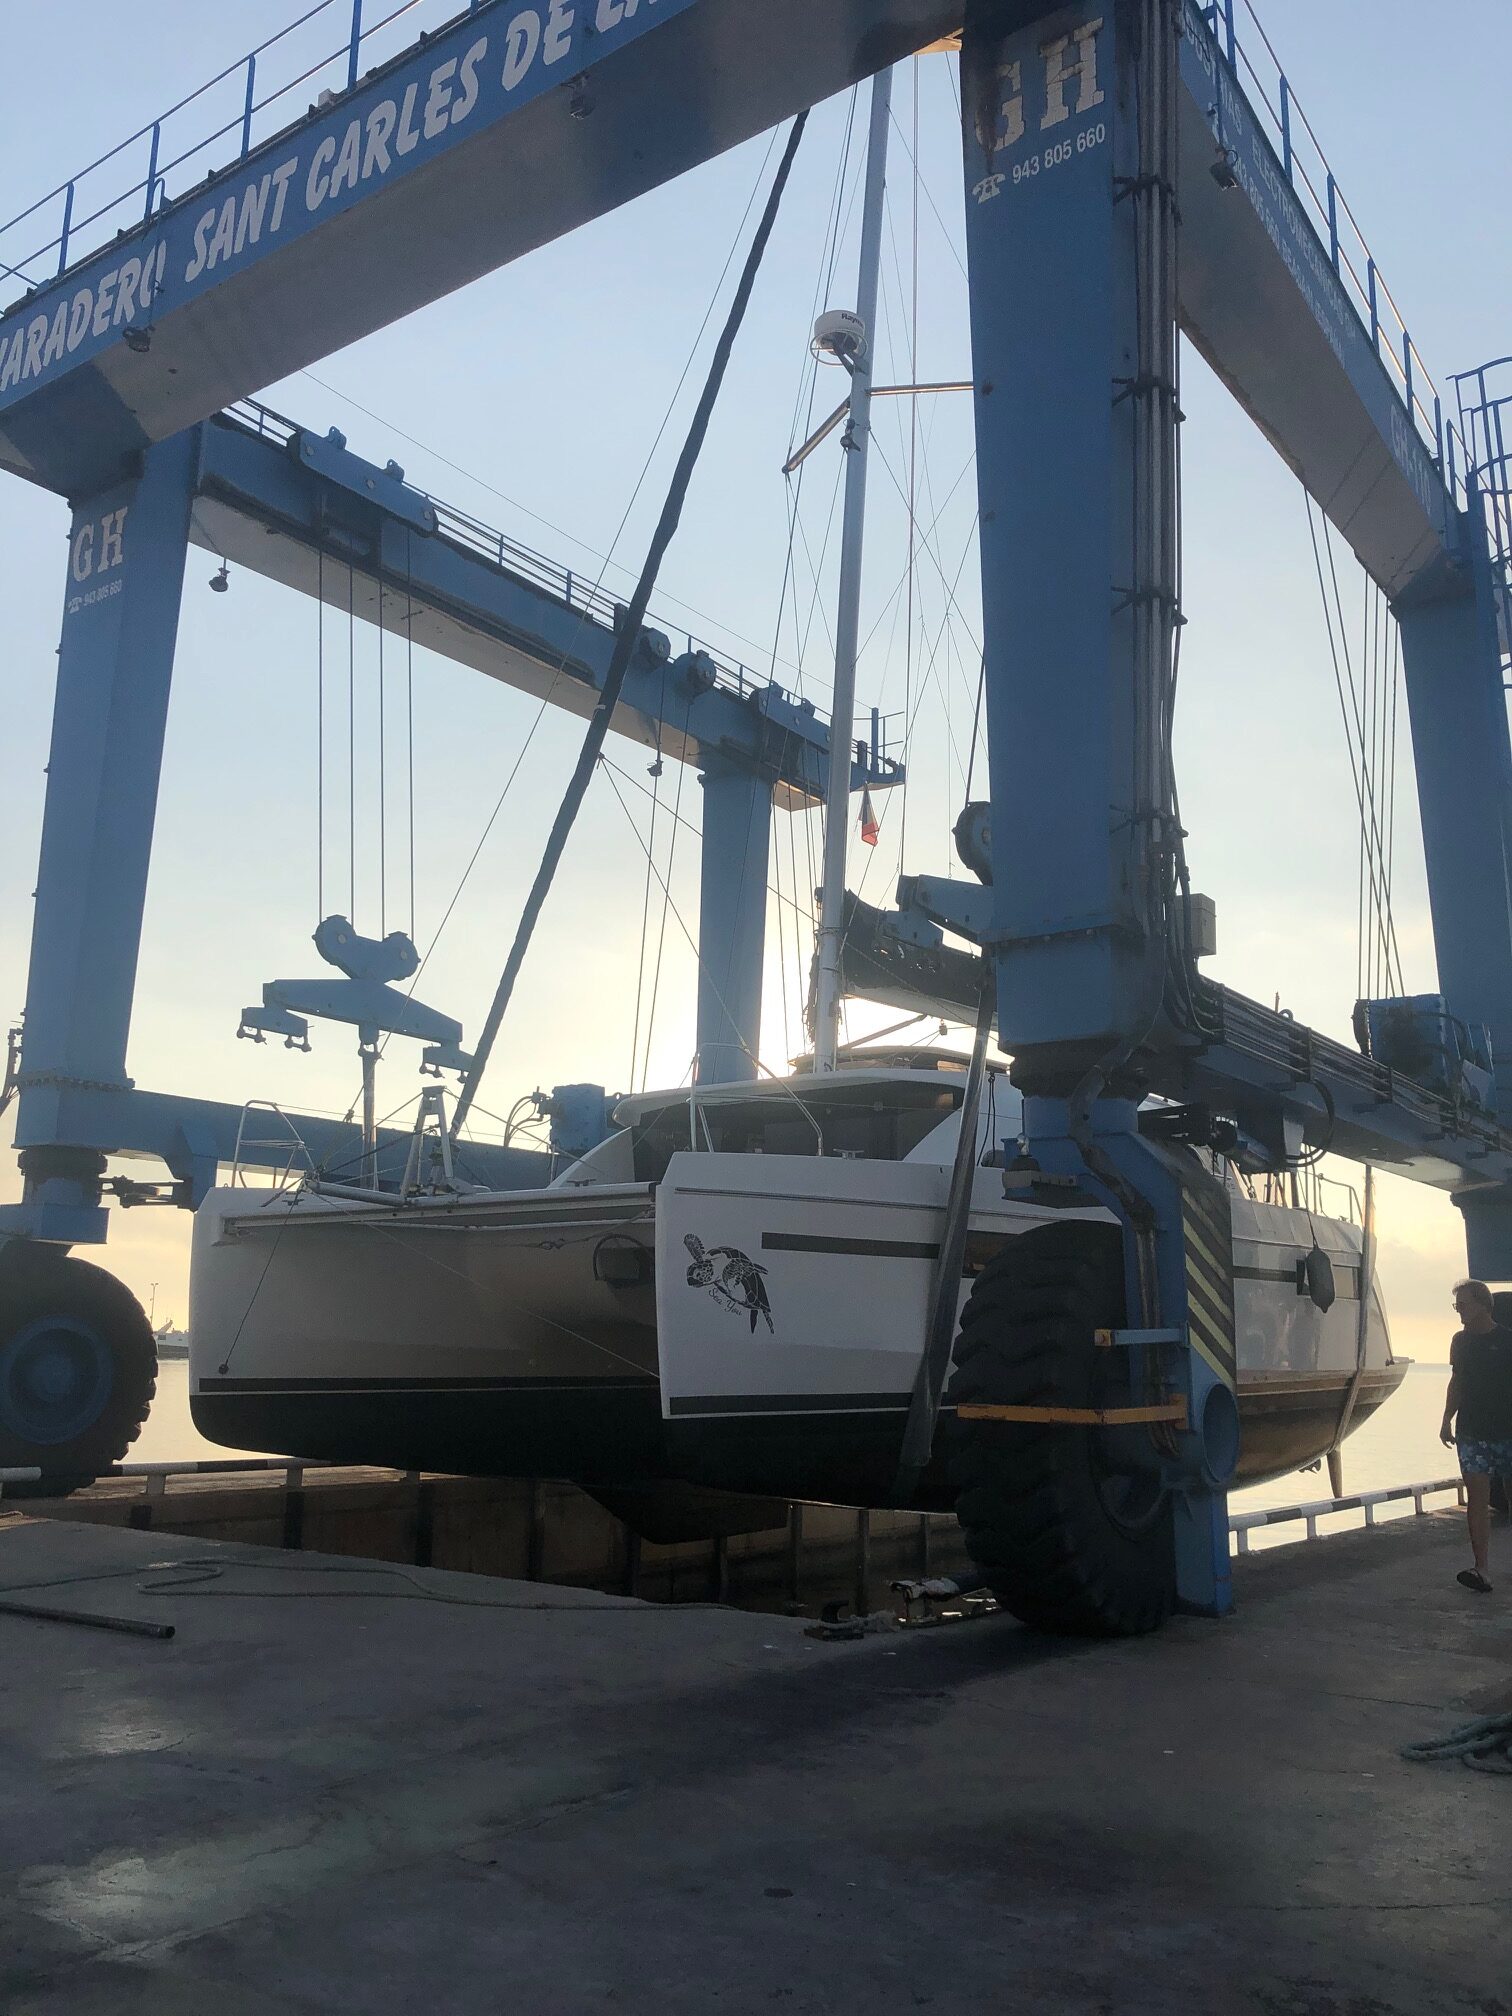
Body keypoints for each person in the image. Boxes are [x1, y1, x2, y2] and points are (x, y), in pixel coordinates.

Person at [1440, 1279, 1512, 1593]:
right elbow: (1457, 1381)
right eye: (1456, 1306)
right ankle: (1481, 1569)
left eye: (1463, 1305)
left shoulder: (1507, 1341)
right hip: (1471, 1430)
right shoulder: (1460, 1341)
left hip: (1507, 1430)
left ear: (1482, 1305)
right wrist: (1446, 1418)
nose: (1459, 1311)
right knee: (1477, 1500)